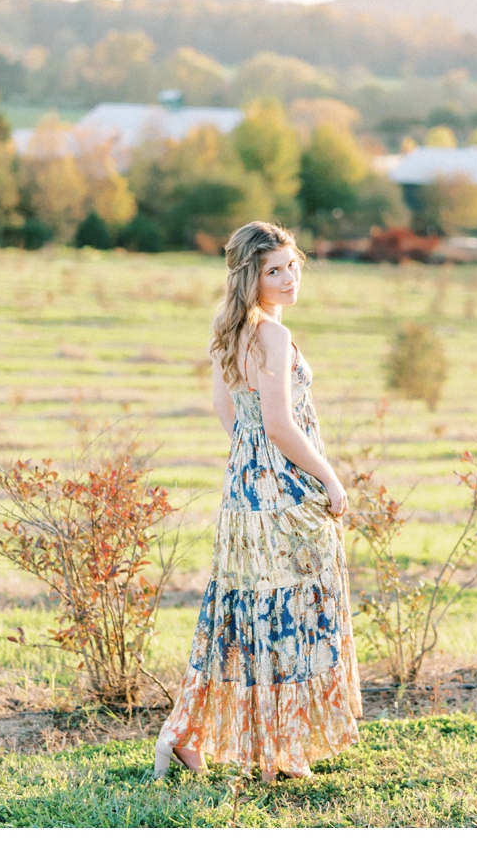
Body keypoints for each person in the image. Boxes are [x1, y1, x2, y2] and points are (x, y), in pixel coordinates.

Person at [155, 221, 361, 783]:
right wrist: (331, 479)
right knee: (289, 616)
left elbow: (230, 414)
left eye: (293, 266)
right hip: (285, 490)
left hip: (245, 491)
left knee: (238, 616)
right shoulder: (270, 335)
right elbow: (279, 424)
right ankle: (280, 752)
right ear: (251, 277)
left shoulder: (228, 332)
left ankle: (184, 736)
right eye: (275, 270)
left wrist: (252, 469)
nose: (290, 278)